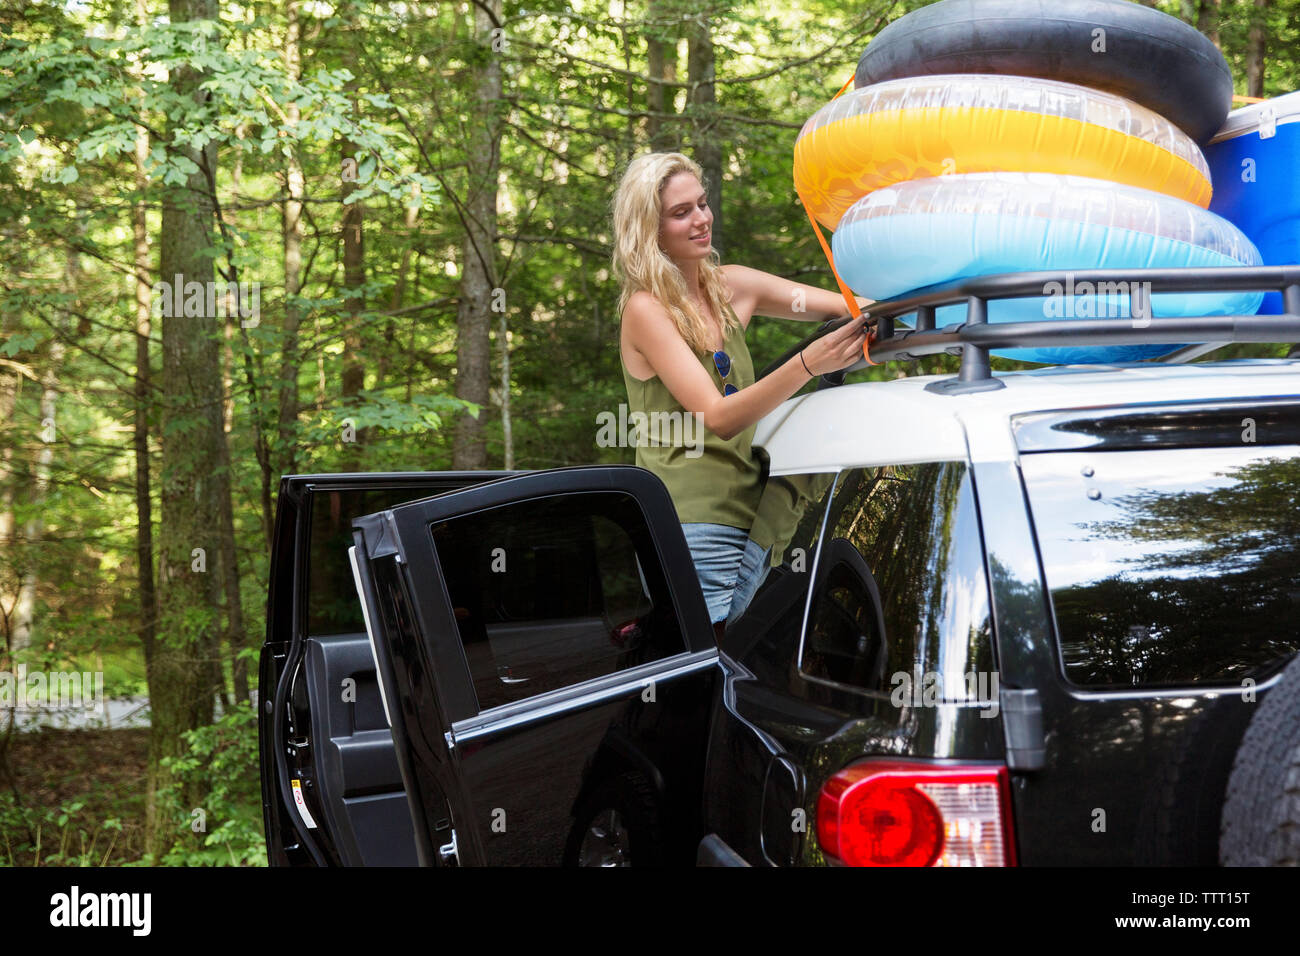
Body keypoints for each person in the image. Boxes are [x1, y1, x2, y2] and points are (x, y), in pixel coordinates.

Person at [610, 151, 873, 636]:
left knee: (744, 671)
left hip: (750, 517)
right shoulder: (646, 310)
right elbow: (718, 417)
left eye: (702, 204)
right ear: (650, 229)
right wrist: (810, 363)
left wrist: (922, 298)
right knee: (713, 681)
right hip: (690, 528)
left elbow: (851, 309)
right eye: (680, 212)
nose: (701, 219)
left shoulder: (734, 286)